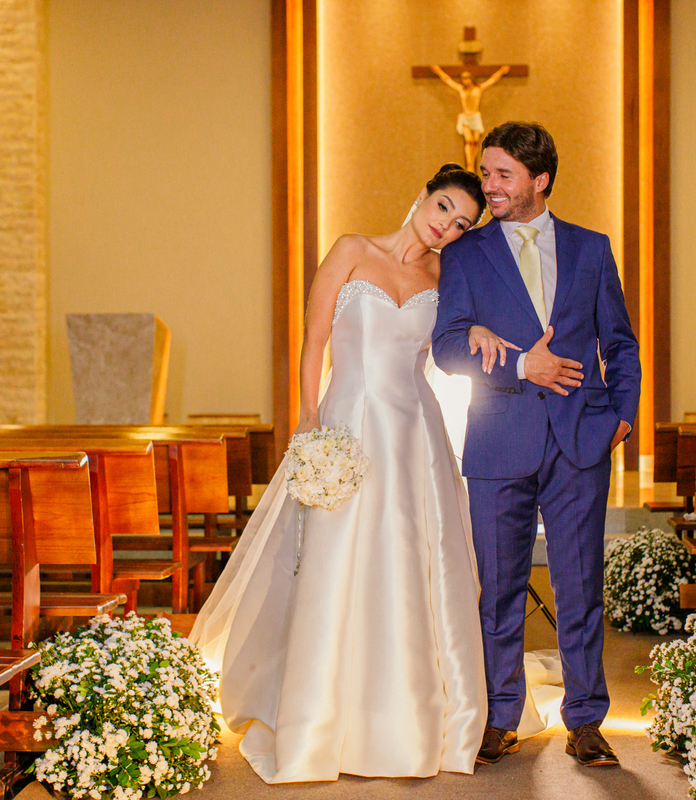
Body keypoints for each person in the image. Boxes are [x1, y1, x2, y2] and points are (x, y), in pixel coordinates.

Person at [189, 164, 503, 783]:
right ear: (422, 196)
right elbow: (314, 340)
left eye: (462, 224)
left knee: (410, 562)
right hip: (345, 426)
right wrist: (309, 418)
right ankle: (318, 718)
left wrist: (480, 327)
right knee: (332, 562)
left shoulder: (447, 277)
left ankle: (408, 716)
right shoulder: (352, 250)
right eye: (443, 208)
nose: (446, 227)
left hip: (414, 435)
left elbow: (453, 345)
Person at [432, 122, 642, 769]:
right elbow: (446, 348)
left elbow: (620, 343)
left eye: (502, 175)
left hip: (581, 440)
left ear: (539, 179)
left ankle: (586, 721)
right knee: (498, 589)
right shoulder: (465, 254)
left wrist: (621, 417)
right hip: (499, 441)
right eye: (485, 173)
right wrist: (522, 364)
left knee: (580, 587)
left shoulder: (591, 248)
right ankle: (500, 717)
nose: (489, 186)